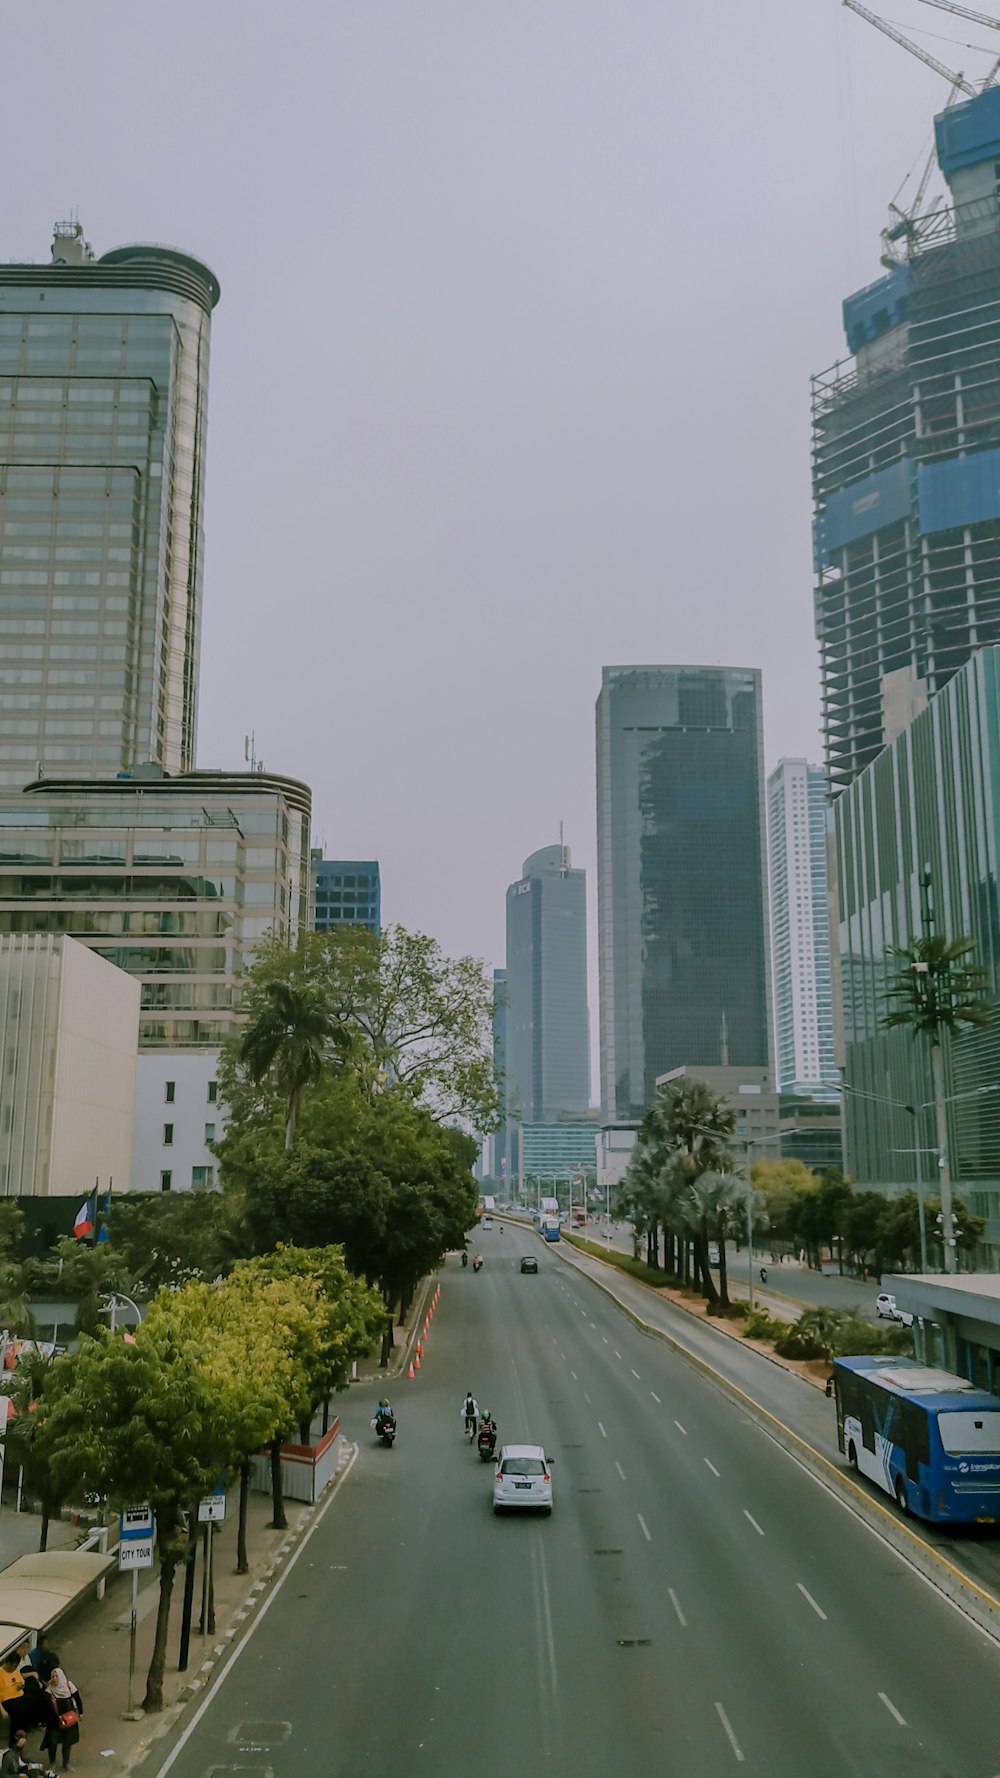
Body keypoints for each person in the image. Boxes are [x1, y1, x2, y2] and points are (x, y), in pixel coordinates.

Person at [40, 1672, 81, 1774]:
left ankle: (66, 1763)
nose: (54, 1679)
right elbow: (46, 1707)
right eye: (52, 1677)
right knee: (52, 1743)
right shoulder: (49, 1691)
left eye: (56, 1676)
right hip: (54, 1722)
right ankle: (52, 1763)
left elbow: (77, 1699)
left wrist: (81, 1713)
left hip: (69, 1721)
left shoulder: (69, 1686)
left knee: (67, 1742)